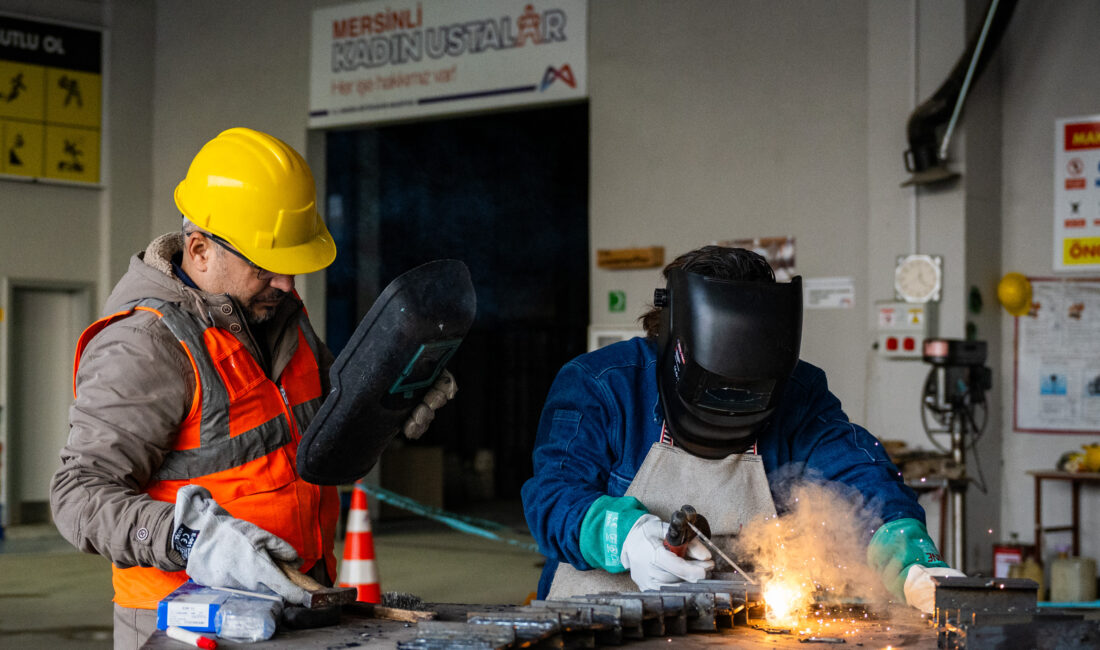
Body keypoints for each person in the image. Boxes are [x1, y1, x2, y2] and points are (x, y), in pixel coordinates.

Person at [50, 127, 455, 649]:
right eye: (267, 265)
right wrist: (194, 537)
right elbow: (77, 495)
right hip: (186, 626)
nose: (287, 283)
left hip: (295, 611)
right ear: (199, 250)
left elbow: (322, 428)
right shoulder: (145, 344)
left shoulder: (279, 316)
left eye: (292, 264)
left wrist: (392, 393)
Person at [521, 245, 962, 614]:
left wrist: (912, 559)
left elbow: (859, 477)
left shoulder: (798, 393)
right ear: (675, 343)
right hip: (598, 621)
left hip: (738, 627)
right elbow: (552, 495)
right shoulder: (600, 384)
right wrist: (627, 537)